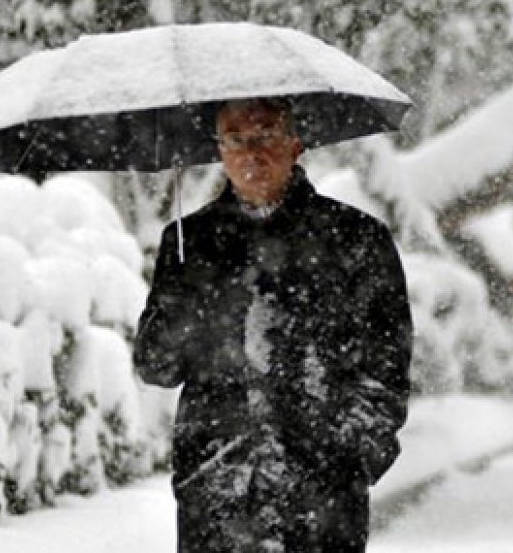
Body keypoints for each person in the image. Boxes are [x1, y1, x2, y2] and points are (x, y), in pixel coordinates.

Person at [134, 97, 414, 553]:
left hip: (322, 498)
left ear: (295, 142)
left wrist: (351, 453)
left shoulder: (354, 240)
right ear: (219, 149)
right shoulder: (188, 244)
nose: (251, 152)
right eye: (236, 139)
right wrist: (185, 300)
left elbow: (387, 363)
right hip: (217, 493)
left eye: (265, 135)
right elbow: (156, 367)